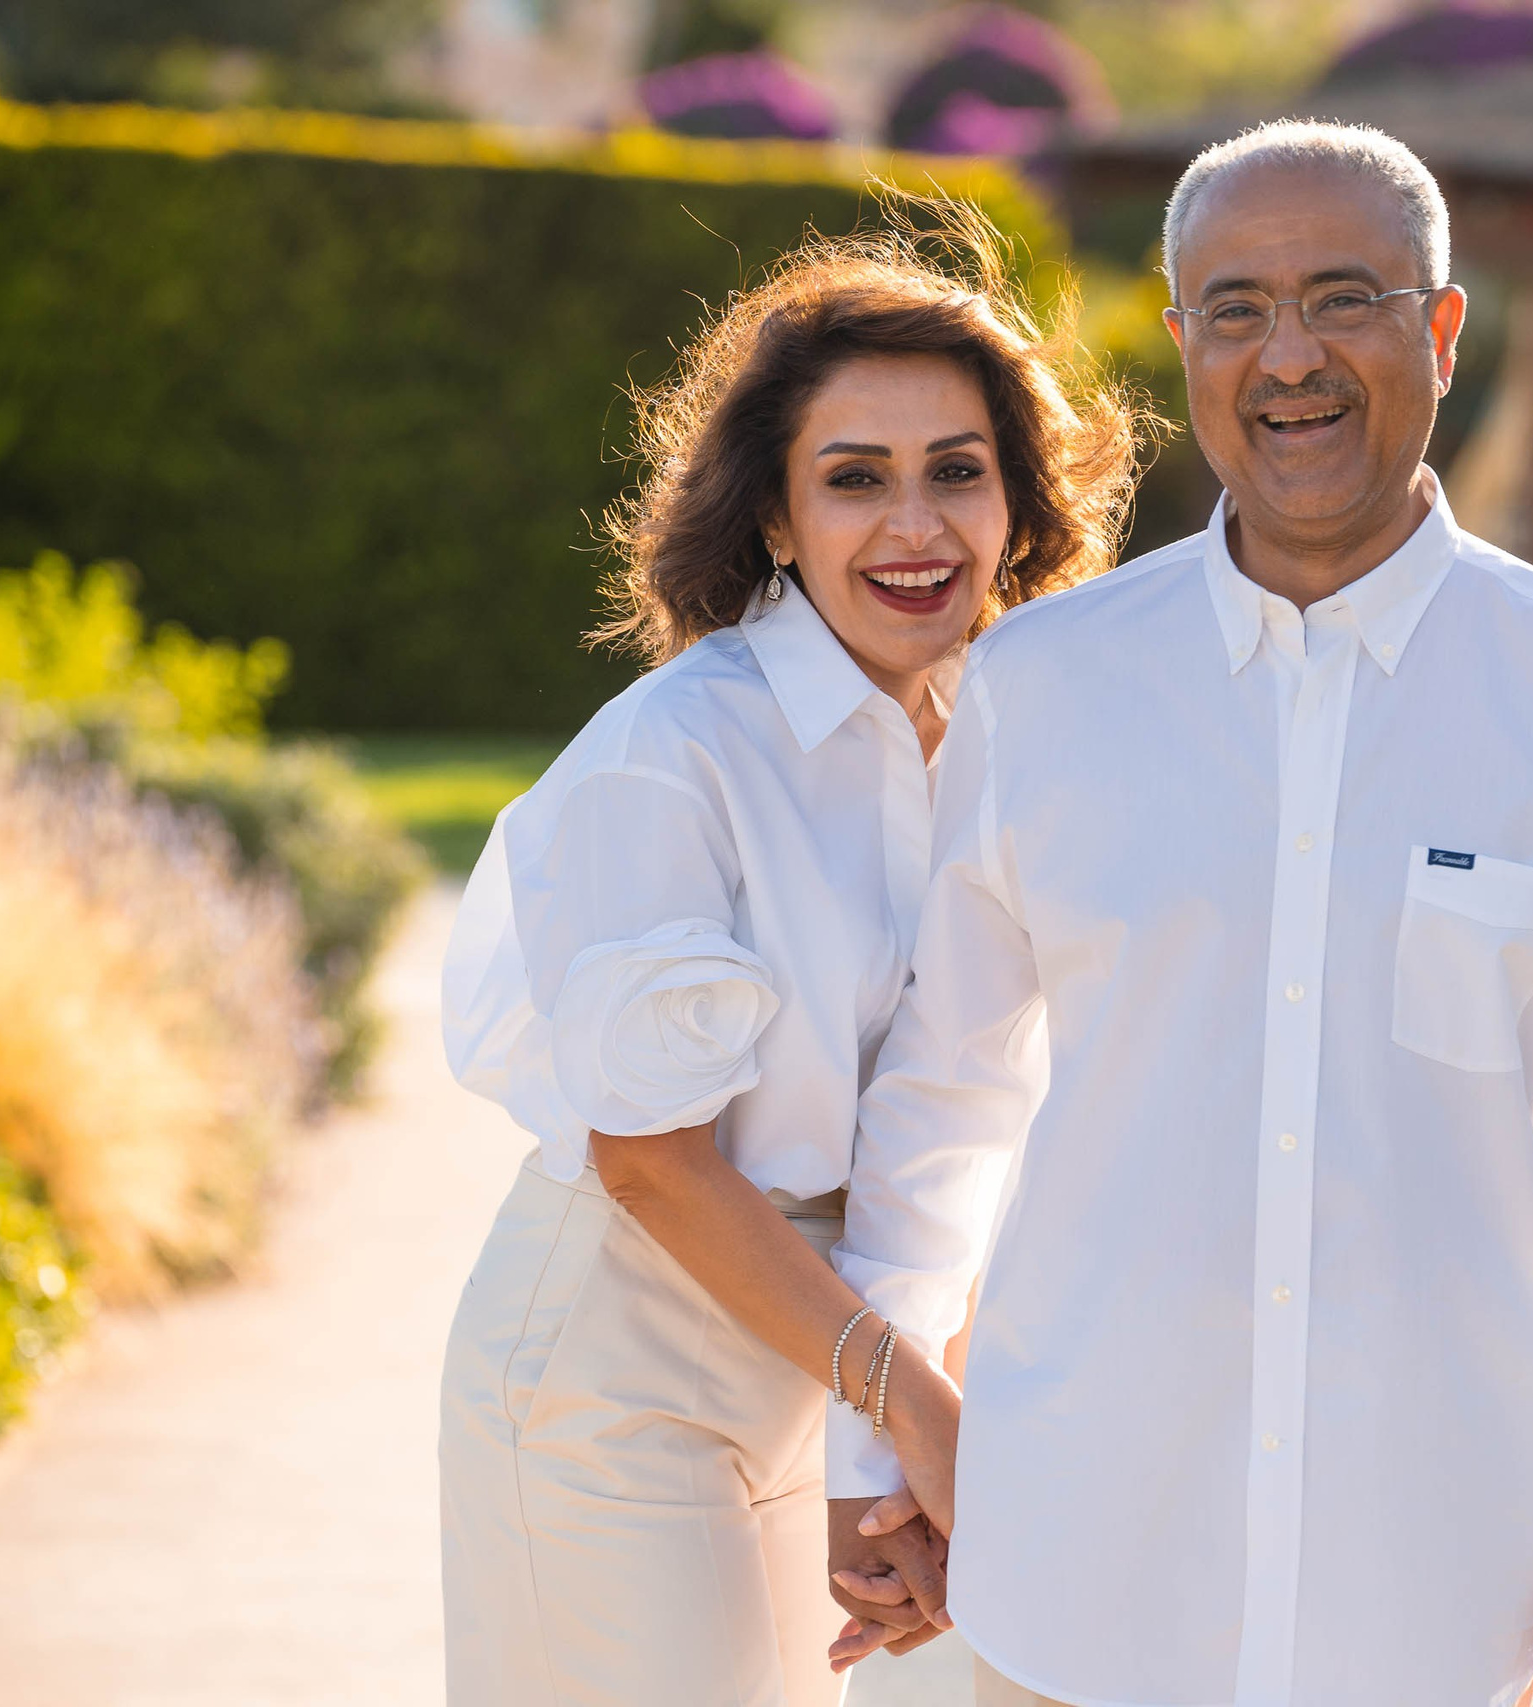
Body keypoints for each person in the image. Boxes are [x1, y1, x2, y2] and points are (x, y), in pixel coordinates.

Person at [824, 122, 1533, 1707]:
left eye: (1346, 299)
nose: (1290, 359)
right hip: (1073, 1579)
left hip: (1438, 1604)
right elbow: (941, 1111)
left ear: (1444, 330)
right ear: (1183, 336)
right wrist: (878, 1434)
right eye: (1236, 307)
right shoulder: (1039, 691)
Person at [435, 223, 1139, 1707]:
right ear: (772, 518)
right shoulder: (676, 755)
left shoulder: (999, 745)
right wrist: (912, 1405)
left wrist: (875, 1435)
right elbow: (651, 1163)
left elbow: (945, 1116)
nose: (916, 526)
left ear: (1018, 502)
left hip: (808, 1351)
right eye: (855, 478)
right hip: (609, 1374)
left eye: (958, 469)